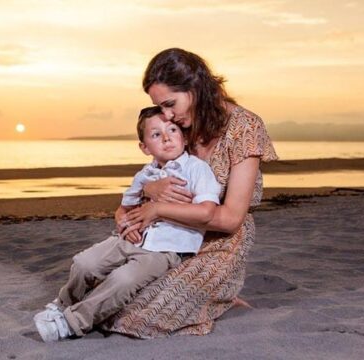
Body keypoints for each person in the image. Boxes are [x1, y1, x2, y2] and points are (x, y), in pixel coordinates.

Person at [101, 48, 278, 338]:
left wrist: (158, 209)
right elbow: (147, 182)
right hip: (169, 234)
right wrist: (134, 204)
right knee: (102, 292)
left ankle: (219, 296)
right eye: (161, 107)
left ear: (195, 86)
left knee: (137, 317)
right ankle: (207, 297)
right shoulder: (182, 125)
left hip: (219, 239)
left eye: (171, 103)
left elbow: (231, 218)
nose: (167, 115)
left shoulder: (245, 127)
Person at [33, 106, 222, 342]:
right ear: (144, 147)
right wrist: (125, 220)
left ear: (184, 137)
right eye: (156, 134)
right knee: (84, 263)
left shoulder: (196, 169)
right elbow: (125, 208)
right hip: (131, 237)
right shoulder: (144, 174)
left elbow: (206, 211)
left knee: (123, 279)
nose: (166, 137)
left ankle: (71, 323)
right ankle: (63, 303)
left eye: (172, 129)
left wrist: (160, 209)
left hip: (165, 248)